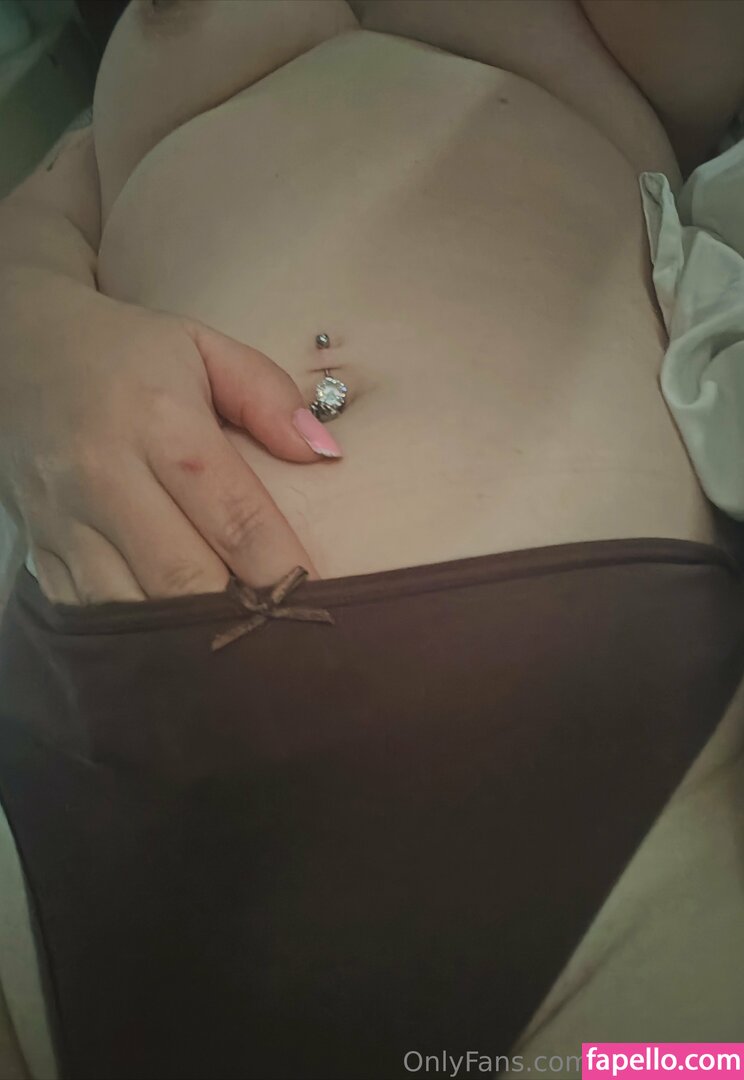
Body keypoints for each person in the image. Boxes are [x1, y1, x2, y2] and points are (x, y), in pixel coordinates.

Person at [0, 3, 743, 1078]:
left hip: (585, 732)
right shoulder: (129, 73)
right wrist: (29, 323)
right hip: (76, 732)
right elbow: (40, 211)